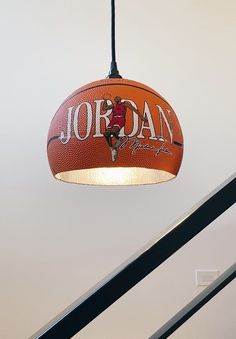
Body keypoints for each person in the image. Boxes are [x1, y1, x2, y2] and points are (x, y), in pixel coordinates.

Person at [102, 95, 146, 161]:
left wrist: (141, 117)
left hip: (120, 119)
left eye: (117, 97)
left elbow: (134, 109)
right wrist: (105, 100)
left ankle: (119, 139)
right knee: (106, 134)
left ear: (120, 99)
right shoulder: (114, 105)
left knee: (114, 131)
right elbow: (104, 108)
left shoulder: (125, 104)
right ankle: (112, 148)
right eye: (115, 97)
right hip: (114, 119)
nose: (116, 98)